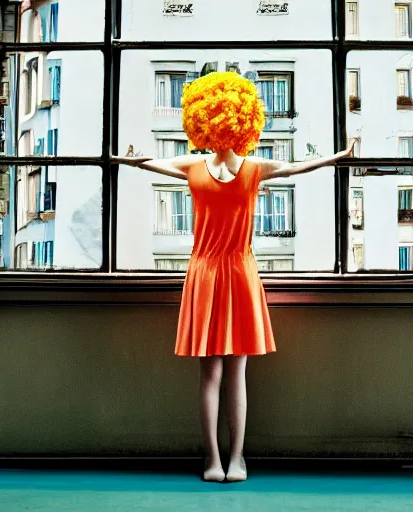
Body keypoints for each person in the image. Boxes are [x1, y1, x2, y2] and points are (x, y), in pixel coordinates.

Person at [116, 71, 354, 483]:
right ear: (246, 122)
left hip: (207, 272)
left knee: (212, 375)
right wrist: (338, 156)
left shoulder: (195, 165)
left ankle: (216, 461)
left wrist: (131, 159)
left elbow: (150, 163)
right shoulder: (253, 167)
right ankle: (234, 460)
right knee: (234, 374)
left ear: (202, 120)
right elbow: (297, 167)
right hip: (237, 272)